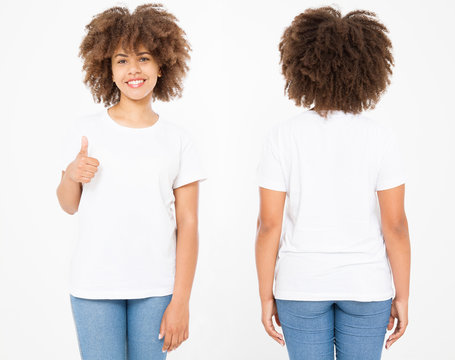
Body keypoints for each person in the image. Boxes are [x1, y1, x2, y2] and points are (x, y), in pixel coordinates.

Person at [255, 6, 410, 360]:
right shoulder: (381, 138)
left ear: (302, 65)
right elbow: (396, 225)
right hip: (366, 286)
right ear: (368, 68)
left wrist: (266, 295)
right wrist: (401, 294)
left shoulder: (282, 137)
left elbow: (268, 226)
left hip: (300, 285)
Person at [56, 4, 206, 359]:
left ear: (161, 65)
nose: (133, 70)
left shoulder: (178, 140)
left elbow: (188, 223)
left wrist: (181, 301)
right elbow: (68, 204)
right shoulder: (86, 130)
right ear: (107, 68)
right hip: (94, 284)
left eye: (144, 58)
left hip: (156, 287)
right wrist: (72, 173)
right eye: (122, 60)